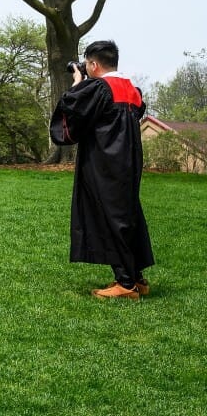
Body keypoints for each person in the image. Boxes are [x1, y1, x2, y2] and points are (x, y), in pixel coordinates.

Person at [50, 40, 154, 300]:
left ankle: (125, 284)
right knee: (127, 216)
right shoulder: (131, 89)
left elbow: (72, 106)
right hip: (128, 164)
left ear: (94, 65)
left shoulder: (100, 88)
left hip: (104, 163)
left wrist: (77, 81)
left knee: (110, 218)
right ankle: (137, 278)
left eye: (87, 64)